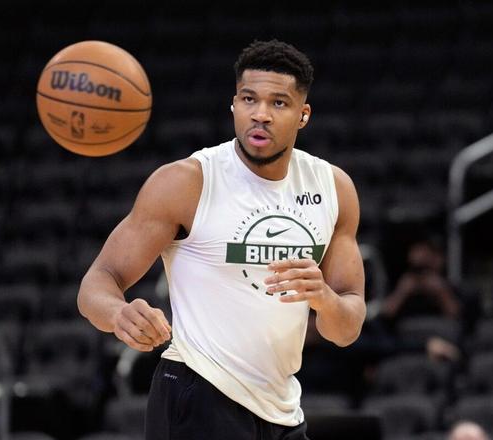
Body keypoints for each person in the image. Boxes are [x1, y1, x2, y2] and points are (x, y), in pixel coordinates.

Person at [77, 39, 366, 440]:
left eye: (278, 103)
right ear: (234, 105)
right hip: (197, 392)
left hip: (281, 405)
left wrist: (325, 299)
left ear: (303, 115)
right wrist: (118, 314)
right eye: (249, 99)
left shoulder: (333, 188)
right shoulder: (185, 182)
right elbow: (97, 283)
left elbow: (346, 329)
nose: (260, 114)